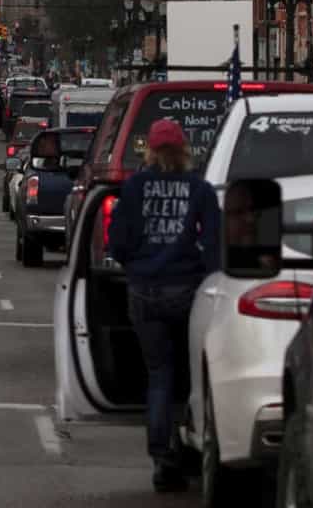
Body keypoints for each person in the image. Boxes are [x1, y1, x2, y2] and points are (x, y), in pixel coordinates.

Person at [107, 118, 222, 492]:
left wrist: (136, 266)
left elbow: (117, 242)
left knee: (159, 374)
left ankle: (162, 458)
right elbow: (215, 245)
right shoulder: (199, 189)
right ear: (184, 149)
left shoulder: (135, 188)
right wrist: (200, 270)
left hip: (144, 291)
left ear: (151, 151)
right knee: (188, 376)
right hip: (186, 290)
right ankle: (188, 447)